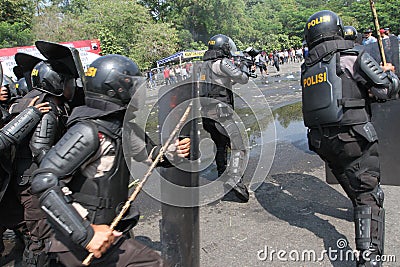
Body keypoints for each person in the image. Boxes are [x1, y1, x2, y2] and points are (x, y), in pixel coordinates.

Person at [30, 54, 190, 266]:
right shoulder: (89, 131)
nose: (138, 92)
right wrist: (86, 234)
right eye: (133, 85)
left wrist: (172, 151)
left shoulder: (121, 128)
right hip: (80, 240)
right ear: (117, 89)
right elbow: (44, 181)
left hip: (110, 231)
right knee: (152, 262)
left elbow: (151, 155)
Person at [302, 10, 399, 267]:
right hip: (353, 136)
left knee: (353, 183)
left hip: (322, 142)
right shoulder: (351, 55)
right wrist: (389, 74)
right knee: (369, 194)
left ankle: (359, 209)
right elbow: (385, 90)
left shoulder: (308, 66)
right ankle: (369, 259)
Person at [9, 59, 77, 266]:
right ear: (56, 82)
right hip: (34, 183)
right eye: (69, 82)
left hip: (27, 180)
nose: (72, 87)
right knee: (41, 238)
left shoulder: (34, 99)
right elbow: (41, 150)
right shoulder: (47, 107)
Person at [199, 34, 250, 202]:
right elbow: (243, 79)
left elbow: (220, 83)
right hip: (222, 115)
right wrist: (245, 65)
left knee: (221, 145)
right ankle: (235, 181)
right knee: (238, 147)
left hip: (206, 116)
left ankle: (222, 174)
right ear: (224, 48)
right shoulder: (222, 63)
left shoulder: (203, 66)